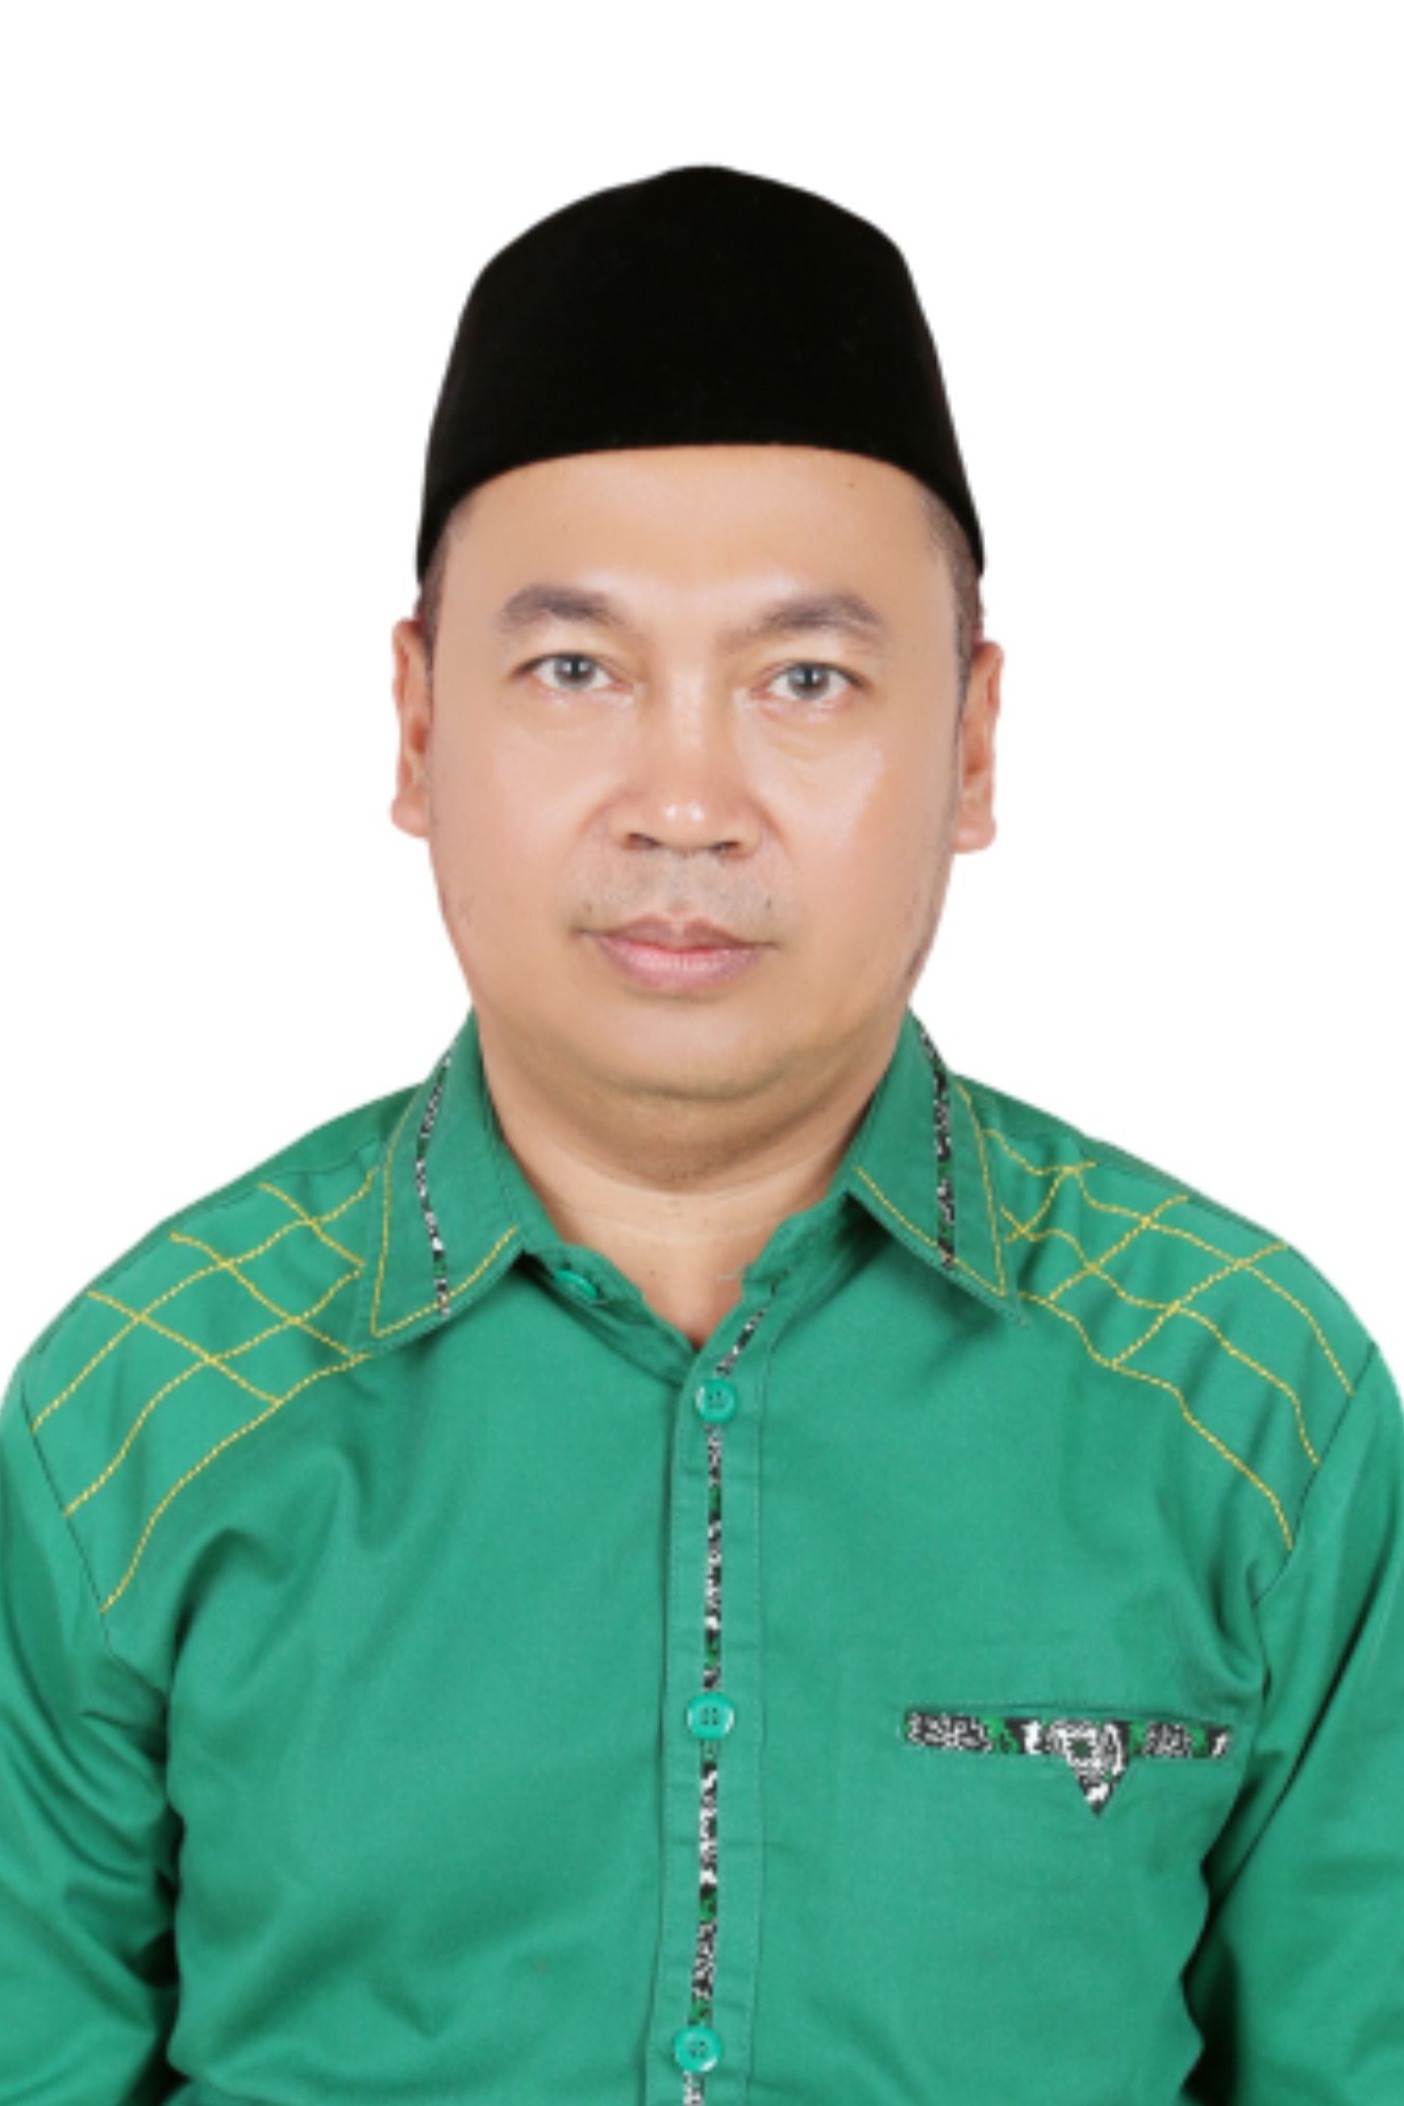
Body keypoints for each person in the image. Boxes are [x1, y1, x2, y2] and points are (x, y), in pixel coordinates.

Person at [1, 162, 1400, 2106]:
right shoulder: (136, 1426)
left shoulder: (1255, 1417)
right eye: (574, 669)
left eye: (805, 679)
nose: (683, 800)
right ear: (417, 725)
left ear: (972, 743)